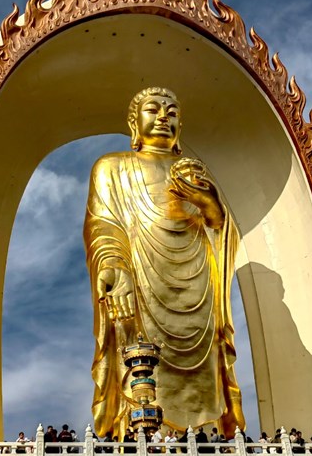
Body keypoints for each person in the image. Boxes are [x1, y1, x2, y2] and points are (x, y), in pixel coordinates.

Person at [84, 87, 245, 438]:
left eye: (172, 113)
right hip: (139, 288)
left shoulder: (197, 174)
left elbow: (222, 233)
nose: (163, 117)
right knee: (139, 368)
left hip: (199, 289)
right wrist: (115, 266)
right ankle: (139, 437)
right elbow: (103, 226)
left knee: (205, 369)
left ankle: (208, 434)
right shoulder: (112, 168)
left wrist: (211, 206)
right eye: (153, 109)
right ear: (134, 123)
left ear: (180, 127)